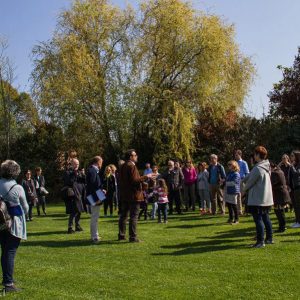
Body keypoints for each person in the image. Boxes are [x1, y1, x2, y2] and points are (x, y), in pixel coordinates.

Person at [0, 160, 29, 293]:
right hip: (13, 225)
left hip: (1, 223)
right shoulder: (17, 187)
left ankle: (7, 278)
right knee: (10, 253)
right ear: (15, 172)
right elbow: (25, 208)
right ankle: (8, 284)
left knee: (4, 251)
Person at [243, 146, 274, 248]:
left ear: (257, 155)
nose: (254, 156)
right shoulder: (266, 165)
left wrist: (242, 190)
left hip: (258, 199)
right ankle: (269, 238)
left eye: (255, 154)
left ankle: (260, 241)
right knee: (266, 218)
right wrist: (242, 179)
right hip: (266, 198)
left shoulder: (258, 168)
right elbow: (250, 175)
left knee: (258, 219)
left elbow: (250, 182)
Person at [118, 149, 150, 242]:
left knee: (123, 216)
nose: (136, 156)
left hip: (125, 195)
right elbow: (135, 181)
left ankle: (121, 235)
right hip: (133, 195)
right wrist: (146, 177)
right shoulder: (131, 166)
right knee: (133, 216)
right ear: (131, 157)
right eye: (135, 155)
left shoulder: (123, 165)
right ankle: (133, 237)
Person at [62, 159, 85, 234]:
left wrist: (83, 174)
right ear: (71, 164)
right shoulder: (67, 172)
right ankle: (70, 227)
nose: (77, 165)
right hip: (73, 195)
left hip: (80, 193)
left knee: (79, 211)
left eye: (78, 164)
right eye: (75, 164)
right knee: (73, 211)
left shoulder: (79, 172)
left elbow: (83, 181)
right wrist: (74, 174)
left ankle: (77, 226)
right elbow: (69, 182)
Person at [86, 156, 104, 243]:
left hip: (96, 195)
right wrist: (97, 199)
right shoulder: (92, 170)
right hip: (94, 196)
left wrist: (101, 190)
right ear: (98, 162)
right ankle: (94, 236)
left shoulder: (93, 170)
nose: (102, 164)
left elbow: (96, 185)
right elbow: (92, 187)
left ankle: (95, 234)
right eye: (101, 162)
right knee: (94, 217)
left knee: (95, 217)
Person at [270, 162, 290, 233]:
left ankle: (282, 227)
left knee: (279, 211)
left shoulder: (274, 173)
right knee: (281, 211)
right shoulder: (280, 171)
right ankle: (282, 226)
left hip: (279, 194)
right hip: (282, 193)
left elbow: (271, 183)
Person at [225, 161, 241, 225]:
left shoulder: (236, 174)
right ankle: (231, 218)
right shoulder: (230, 173)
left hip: (234, 191)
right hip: (229, 191)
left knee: (234, 205)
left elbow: (234, 183)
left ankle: (236, 219)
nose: (229, 166)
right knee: (229, 205)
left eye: (230, 165)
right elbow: (227, 180)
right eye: (228, 165)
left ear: (234, 166)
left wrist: (225, 183)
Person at [235, 150, 250, 215]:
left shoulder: (244, 163)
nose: (235, 156)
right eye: (235, 155)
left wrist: (246, 182)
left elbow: (247, 173)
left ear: (240, 155)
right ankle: (239, 211)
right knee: (238, 196)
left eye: (236, 155)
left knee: (243, 196)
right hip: (236, 181)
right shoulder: (234, 163)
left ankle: (246, 210)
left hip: (242, 180)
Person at [289, 151, 300, 228]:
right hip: (294, 188)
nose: (291, 157)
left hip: (298, 187)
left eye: (292, 156)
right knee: (296, 206)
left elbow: (296, 174)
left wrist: (291, 166)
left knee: (298, 206)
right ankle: (297, 221)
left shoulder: (298, 165)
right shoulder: (295, 165)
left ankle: (299, 222)